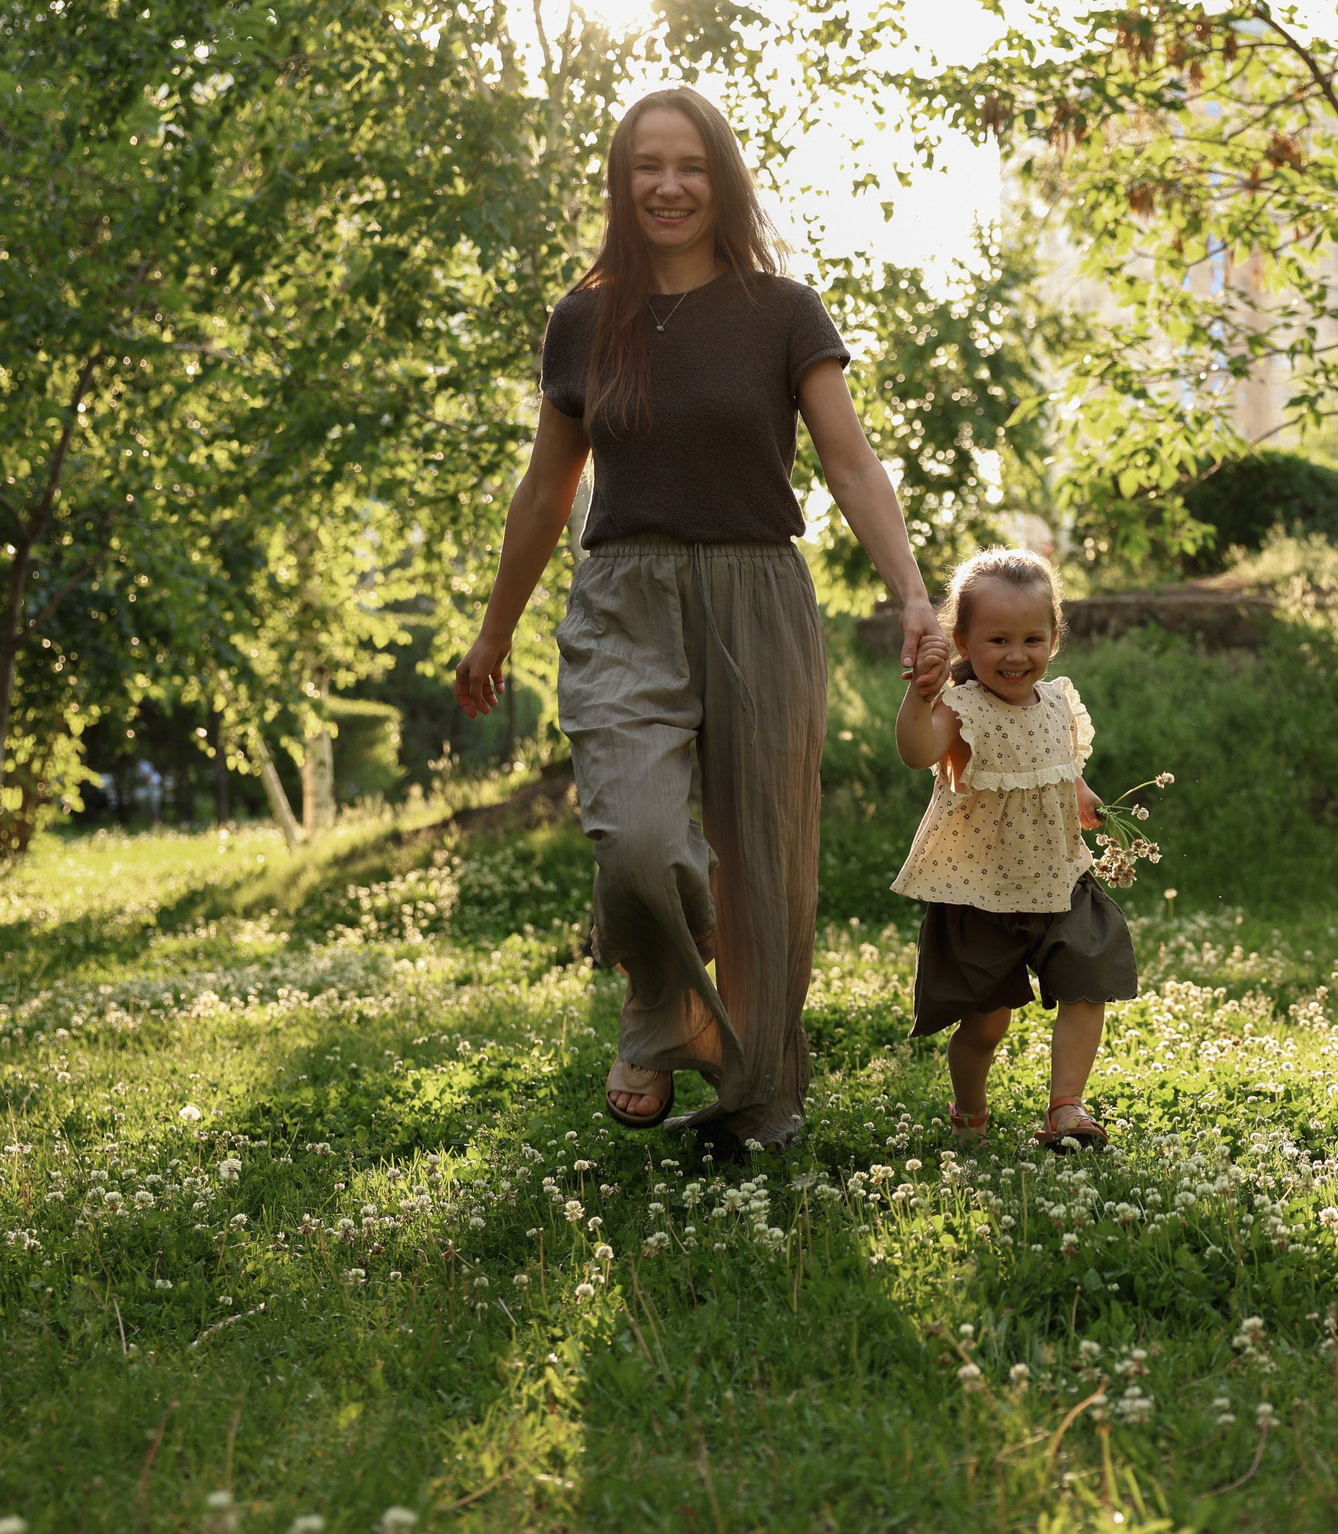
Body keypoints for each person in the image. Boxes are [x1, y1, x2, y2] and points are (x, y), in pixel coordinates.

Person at [453, 86, 940, 1150]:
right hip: (623, 596)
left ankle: (759, 1098)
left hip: (759, 591)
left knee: (763, 860)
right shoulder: (584, 318)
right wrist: (494, 630)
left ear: (721, 180)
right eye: (645, 167)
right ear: (622, 186)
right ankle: (661, 1008)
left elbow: (849, 462)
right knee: (633, 839)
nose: (667, 186)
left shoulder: (784, 311)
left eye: (690, 166)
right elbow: (544, 492)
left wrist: (912, 594)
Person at [891, 549, 1139, 1149]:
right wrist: (919, 700)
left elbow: (1056, 767)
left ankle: (1066, 1108)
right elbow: (917, 752)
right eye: (997, 639)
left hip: (1060, 877)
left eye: (1032, 638)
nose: (1016, 654)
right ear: (963, 641)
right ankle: (970, 1113)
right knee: (985, 1023)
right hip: (981, 890)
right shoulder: (962, 710)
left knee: (1087, 981)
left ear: (1054, 638)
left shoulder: (1057, 702)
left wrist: (1082, 796)